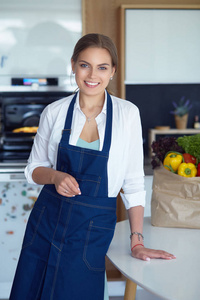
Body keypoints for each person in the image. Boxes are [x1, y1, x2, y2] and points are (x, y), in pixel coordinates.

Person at [9, 33, 176, 300]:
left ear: (113, 71)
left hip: (91, 229)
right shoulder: (55, 111)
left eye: (102, 67)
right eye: (85, 64)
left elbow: (132, 183)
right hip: (47, 223)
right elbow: (34, 169)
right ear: (73, 64)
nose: (92, 75)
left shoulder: (126, 114)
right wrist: (55, 176)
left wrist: (137, 241)